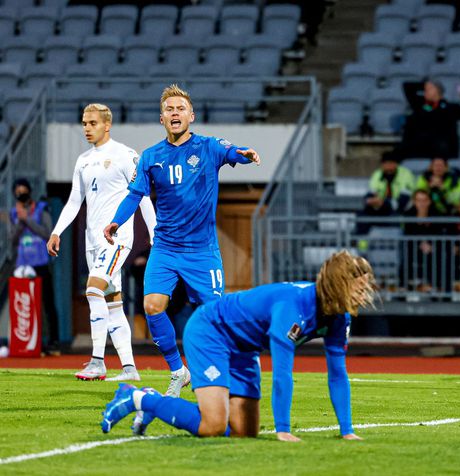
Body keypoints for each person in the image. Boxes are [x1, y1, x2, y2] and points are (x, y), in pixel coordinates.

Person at [100, 250, 376, 441]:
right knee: (213, 426)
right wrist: (282, 429)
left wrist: (347, 430)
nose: (365, 294)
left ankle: (153, 404)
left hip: (245, 348)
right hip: (211, 331)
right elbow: (281, 374)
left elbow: (338, 374)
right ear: (338, 285)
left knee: (245, 432)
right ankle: (139, 398)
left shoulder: (339, 316)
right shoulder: (293, 308)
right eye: (359, 288)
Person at [103, 84, 260, 402]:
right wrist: (117, 221)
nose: (175, 113)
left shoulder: (209, 147)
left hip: (202, 252)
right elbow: (135, 195)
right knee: (152, 306)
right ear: (162, 118)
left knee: (215, 315)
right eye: (169, 109)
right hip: (165, 249)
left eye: (180, 108)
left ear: (191, 115)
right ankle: (179, 372)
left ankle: (232, 373)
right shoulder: (150, 157)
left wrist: (243, 154)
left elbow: (233, 152)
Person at [48, 104, 157, 381]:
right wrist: (57, 231)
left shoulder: (125, 155)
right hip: (92, 240)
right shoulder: (83, 159)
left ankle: (97, 361)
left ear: (106, 125)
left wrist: (155, 234)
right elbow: (75, 200)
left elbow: (142, 196)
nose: (87, 128)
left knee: (93, 290)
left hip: (117, 238)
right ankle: (130, 369)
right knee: (112, 302)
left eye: (92, 123)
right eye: (84, 123)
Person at [10, 178, 60, 352]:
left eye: (23, 191)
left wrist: (27, 220)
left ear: (29, 192)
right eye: (17, 193)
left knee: (47, 303)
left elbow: (48, 233)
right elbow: (13, 239)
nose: (20, 195)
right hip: (22, 266)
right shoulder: (14, 212)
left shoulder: (40, 209)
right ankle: (30, 343)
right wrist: (20, 221)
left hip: (40, 263)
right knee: (26, 305)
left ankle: (53, 342)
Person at [401, 80, 460, 159]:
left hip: (444, 152)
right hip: (422, 150)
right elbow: (407, 86)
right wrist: (425, 84)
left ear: (438, 91)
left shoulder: (451, 108)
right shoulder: (420, 105)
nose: (425, 91)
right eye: (425, 89)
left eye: (429, 89)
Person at [357, 150, 415, 235]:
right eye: (385, 163)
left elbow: (403, 200)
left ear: (396, 164)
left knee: (395, 217)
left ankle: (396, 245)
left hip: (403, 209)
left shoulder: (405, 174)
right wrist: (369, 201)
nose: (388, 166)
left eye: (390, 163)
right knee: (363, 215)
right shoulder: (377, 174)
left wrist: (383, 203)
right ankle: (362, 243)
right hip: (383, 207)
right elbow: (370, 193)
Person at [402, 189, 445, 292]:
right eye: (418, 200)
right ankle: (405, 286)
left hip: (432, 247)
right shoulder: (408, 215)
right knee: (407, 255)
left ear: (429, 201)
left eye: (424, 200)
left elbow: (439, 233)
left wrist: (430, 245)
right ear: (414, 201)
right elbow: (408, 233)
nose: (421, 203)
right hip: (413, 247)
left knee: (439, 255)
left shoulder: (436, 214)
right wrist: (420, 243)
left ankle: (435, 286)